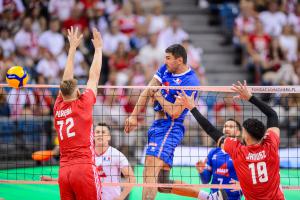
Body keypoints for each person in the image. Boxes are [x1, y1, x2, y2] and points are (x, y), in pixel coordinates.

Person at [177, 80, 285, 200]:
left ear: (245, 135)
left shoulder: (238, 151)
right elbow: (272, 115)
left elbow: (210, 130)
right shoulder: (271, 144)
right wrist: (250, 97)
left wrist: (192, 108)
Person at [124, 44, 200, 199]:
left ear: (179, 60)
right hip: (157, 125)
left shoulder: (190, 81)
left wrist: (158, 95)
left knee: (149, 174)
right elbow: (148, 89)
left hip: (170, 127)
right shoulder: (166, 69)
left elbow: (173, 112)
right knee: (163, 184)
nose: (165, 61)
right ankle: (207, 196)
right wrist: (133, 115)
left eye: (168, 58)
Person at [53, 26, 102, 200]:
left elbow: (66, 81)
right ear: (78, 93)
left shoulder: (58, 106)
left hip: (64, 172)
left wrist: (72, 48)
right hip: (84, 169)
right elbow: (94, 76)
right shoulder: (84, 103)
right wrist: (98, 49)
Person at [41, 123, 136, 200]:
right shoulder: (85, 155)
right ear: (93, 136)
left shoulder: (116, 155)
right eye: (97, 132)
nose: (100, 134)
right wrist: (52, 180)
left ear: (109, 137)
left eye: (103, 132)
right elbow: (74, 179)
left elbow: (132, 179)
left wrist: (121, 198)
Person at [197, 119, 243, 200]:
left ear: (238, 132)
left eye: (231, 126)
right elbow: (206, 181)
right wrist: (201, 171)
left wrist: (243, 185)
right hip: (214, 197)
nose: (227, 128)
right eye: (225, 126)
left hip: (234, 198)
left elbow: (251, 177)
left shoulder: (242, 151)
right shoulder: (213, 152)